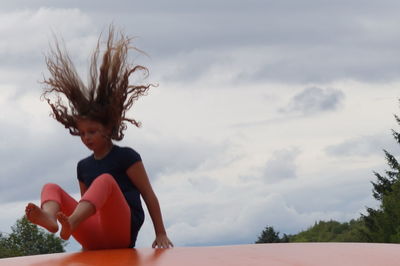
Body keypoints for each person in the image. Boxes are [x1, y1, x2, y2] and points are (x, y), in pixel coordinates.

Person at [24, 27, 173, 250]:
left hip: (121, 233)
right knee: (50, 186)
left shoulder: (126, 157)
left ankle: (70, 222)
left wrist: (160, 233)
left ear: (108, 127)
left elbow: (148, 196)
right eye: (82, 133)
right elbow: (89, 203)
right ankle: (49, 217)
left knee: (104, 181)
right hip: (92, 234)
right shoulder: (83, 166)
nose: (86, 137)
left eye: (92, 131)